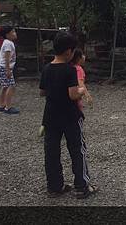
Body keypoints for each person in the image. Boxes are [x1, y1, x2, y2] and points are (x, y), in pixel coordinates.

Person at [40, 32, 96, 199]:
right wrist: (81, 91)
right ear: (68, 52)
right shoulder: (69, 70)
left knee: (52, 151)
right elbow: (72, 95)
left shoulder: (47, 68)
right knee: (77, 150)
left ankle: (54, 186)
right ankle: (82, 186)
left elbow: (42, 92)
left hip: (50, 116)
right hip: (70, 116)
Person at [0, 26, 19, 114]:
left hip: (2, 67)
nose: (15, 33)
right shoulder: (8, 43)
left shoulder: (7, 42)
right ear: (7, 34)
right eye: (13, 32)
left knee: (5, 86)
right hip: (5, 67)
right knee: (11, 86)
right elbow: (7, 57)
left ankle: (1, 105)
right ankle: (8, 107)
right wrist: (8, 70)